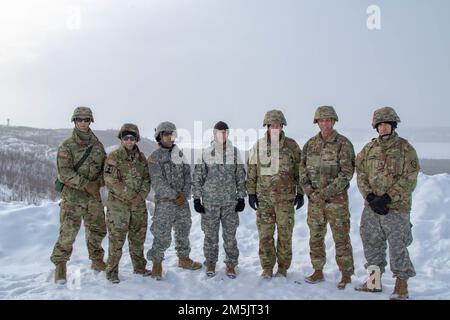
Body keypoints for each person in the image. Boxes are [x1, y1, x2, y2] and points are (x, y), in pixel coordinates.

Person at [355, 106, 419, 300]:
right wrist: (370, 197)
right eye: (380, 125)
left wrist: (388, 197)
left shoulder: (405, 148)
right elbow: (361, 174)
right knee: (371, 243)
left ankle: (401, 285)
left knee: (397, 245)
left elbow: (410, 177)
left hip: (396, 208)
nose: (383, 128)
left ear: (393, 125)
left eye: (386, 124)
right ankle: (374, 282)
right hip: (372, 207)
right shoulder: (369, 149)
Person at [299, 106, 355, 289]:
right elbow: (302, 170)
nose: (325, 123)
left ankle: (346, 274)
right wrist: (309, 191)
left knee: (341, 238)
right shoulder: (310, 144)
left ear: (334, 121)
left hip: (336, 202)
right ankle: (318, 271)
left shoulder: (343, 144)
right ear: (317, 122)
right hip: (315, 202)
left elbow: (346, 173)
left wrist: (325, 192)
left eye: (328, 120)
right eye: (321, 120)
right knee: (315, 237)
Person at [50, 106, 107, 284]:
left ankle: (97, 261)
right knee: (67, 233)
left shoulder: (97, 146)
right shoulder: (67, 145)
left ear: (91, 121)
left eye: (86, 120)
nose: (83, 123)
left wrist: (100, 182)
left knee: (97, 230)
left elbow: (104, 169)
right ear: (74, 121)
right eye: (79, 120)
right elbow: (64, 173)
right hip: (73, 197)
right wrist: (86, 184)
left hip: (93, 198)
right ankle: (60, 266)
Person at [246, 110, 304, 278]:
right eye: (271, 125)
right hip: (264, 200)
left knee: (285, 235)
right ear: (267, 126)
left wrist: (300, 192)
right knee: (265, 235)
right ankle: (267, 267)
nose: (275, 128)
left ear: (282, 126)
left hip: (285, 200)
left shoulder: (292, 146)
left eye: (278, 125)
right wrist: (251, 193)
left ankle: (283, 267)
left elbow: (300, 171)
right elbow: (252, 170)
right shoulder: (258, 146)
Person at [146, 121, 201, 280]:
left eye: (172, 134)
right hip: (165, 203)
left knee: (183, 230)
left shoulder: (179, 154)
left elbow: (187, 175)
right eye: (165, 134)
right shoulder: (154, 158)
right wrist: (175, 196)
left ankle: (183, 259)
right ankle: (157, 263)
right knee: (161, 234)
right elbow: (157, 183)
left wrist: (184, 194)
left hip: (181, 202)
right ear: (159, 136)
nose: (169, 137)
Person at [192, 121, 246, 278]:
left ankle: (230, 265)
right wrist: (196, 199)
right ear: (214, 134)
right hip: (210, 203)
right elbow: (198, 177)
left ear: (228, 134)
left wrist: (241, 197)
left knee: (230, 236)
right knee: (210, 236)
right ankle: (210, 263)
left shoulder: (234, 153)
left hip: (230, 203)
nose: (222, 134)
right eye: (219, 132)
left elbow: (240, 177)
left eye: (225, 132)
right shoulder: (206, 153)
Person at [103, 124, 151, 283]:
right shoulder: (114, 157)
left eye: (132, 138)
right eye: (126, 138)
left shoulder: (141, 158)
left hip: (138, 206)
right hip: (119, 208)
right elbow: (110, 181)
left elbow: (146, 179)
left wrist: (141, 195)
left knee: (138, 239)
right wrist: (131, 196)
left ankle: (139, 267)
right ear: (121, 139)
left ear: (136, 139)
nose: (129, 141)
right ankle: (111, 271)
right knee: (116, 240)